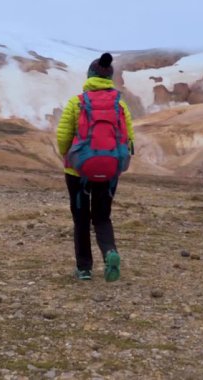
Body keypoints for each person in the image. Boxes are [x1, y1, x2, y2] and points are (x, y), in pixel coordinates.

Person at [57, 52, 134, 281]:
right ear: (109, 78)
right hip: (109, 169)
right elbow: (128, 137)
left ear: (89, 76)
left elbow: (63, 136)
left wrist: (70, 157)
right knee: (102, 216)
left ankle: (84, 269)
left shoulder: (76, 102)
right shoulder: (120, 104)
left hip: (77, 171)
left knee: (80, 219)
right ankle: (110, 252)